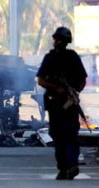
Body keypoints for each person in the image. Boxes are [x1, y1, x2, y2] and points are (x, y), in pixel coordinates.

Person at [36, 27, 87, 180]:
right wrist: (57, 89)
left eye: (60, 39)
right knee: (60, 135)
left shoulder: (72, 57)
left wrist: (74, 93)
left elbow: (82, 80)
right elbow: (41, 80)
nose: (57, 42)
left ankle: (70, 165)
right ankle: (65, 167)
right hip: (56, 103)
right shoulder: (50, 58)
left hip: (69, 104)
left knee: (69, 135)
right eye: (57, 39)